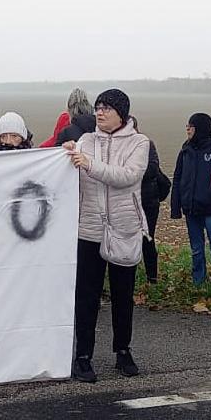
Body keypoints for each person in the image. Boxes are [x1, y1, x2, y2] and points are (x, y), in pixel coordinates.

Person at [63, 89, 149, 382]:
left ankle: (123, 351)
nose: (100, 113)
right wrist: (65, 154)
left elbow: (126, 177)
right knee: (86, 296)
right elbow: (69, 172)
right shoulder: (86, 141)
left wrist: (89, 164)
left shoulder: (140, 143)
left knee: (123, 295)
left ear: (122, 114)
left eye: (107, 108)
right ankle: (83, 356)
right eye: (98, 107)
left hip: (124, 229)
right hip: (88, 230)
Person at [171, 113, 211, 287]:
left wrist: (210, 195)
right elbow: (177, 179)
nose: (187, 129)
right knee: (196, 250)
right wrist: (176, 207)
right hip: (191, 210)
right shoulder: (185, 152)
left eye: (190, 126)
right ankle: (198, 282)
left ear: (200, 129)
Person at [131, 116, 170, 284]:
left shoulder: (147, 144)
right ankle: (128, 277)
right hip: (128, 200)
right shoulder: (119, 146)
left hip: (147, 201)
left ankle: (152, 278)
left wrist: (129, 173)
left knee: (147, 238)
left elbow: (152, 169)